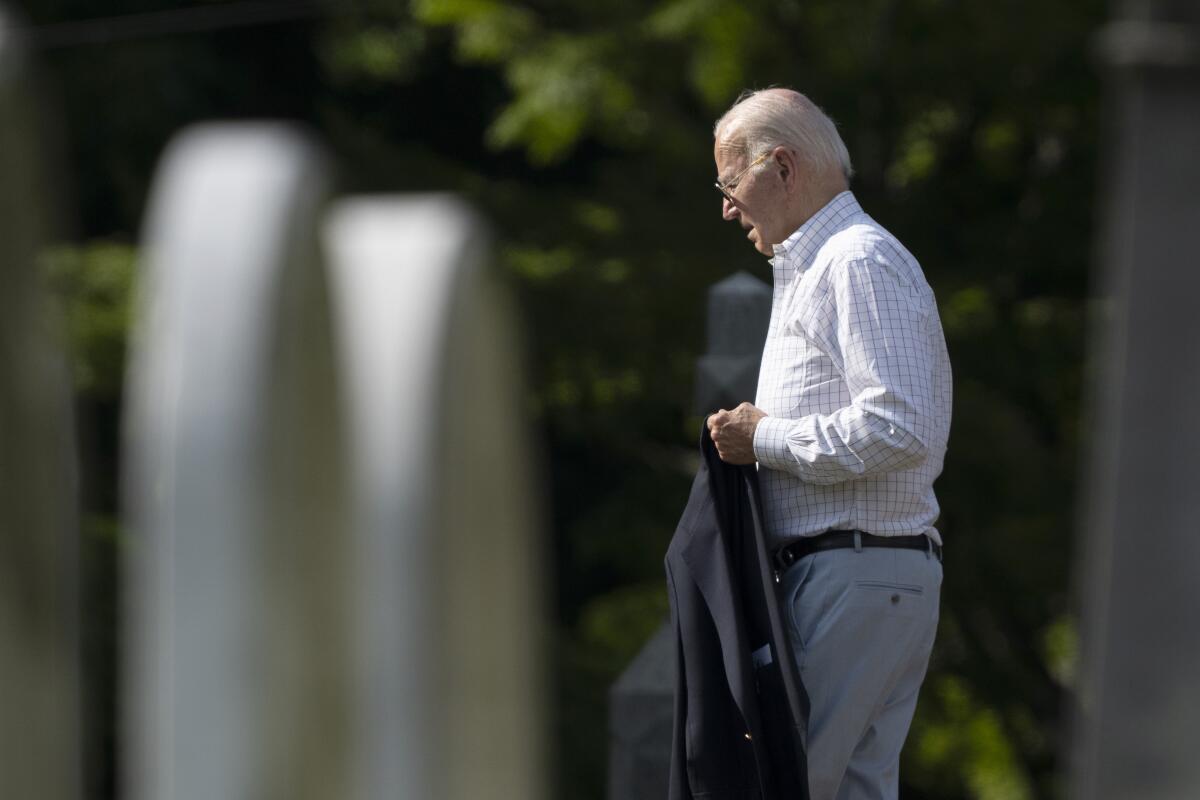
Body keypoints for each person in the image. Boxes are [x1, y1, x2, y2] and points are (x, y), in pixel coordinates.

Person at [706, 88, 952, 799]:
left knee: (783, 786)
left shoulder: (855, 261)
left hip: (854, 573)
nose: (726, 207)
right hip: (865, 577)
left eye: (729, 183)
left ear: (780, 166)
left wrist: (764, 438)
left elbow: (899, 428)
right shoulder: (830, 263)